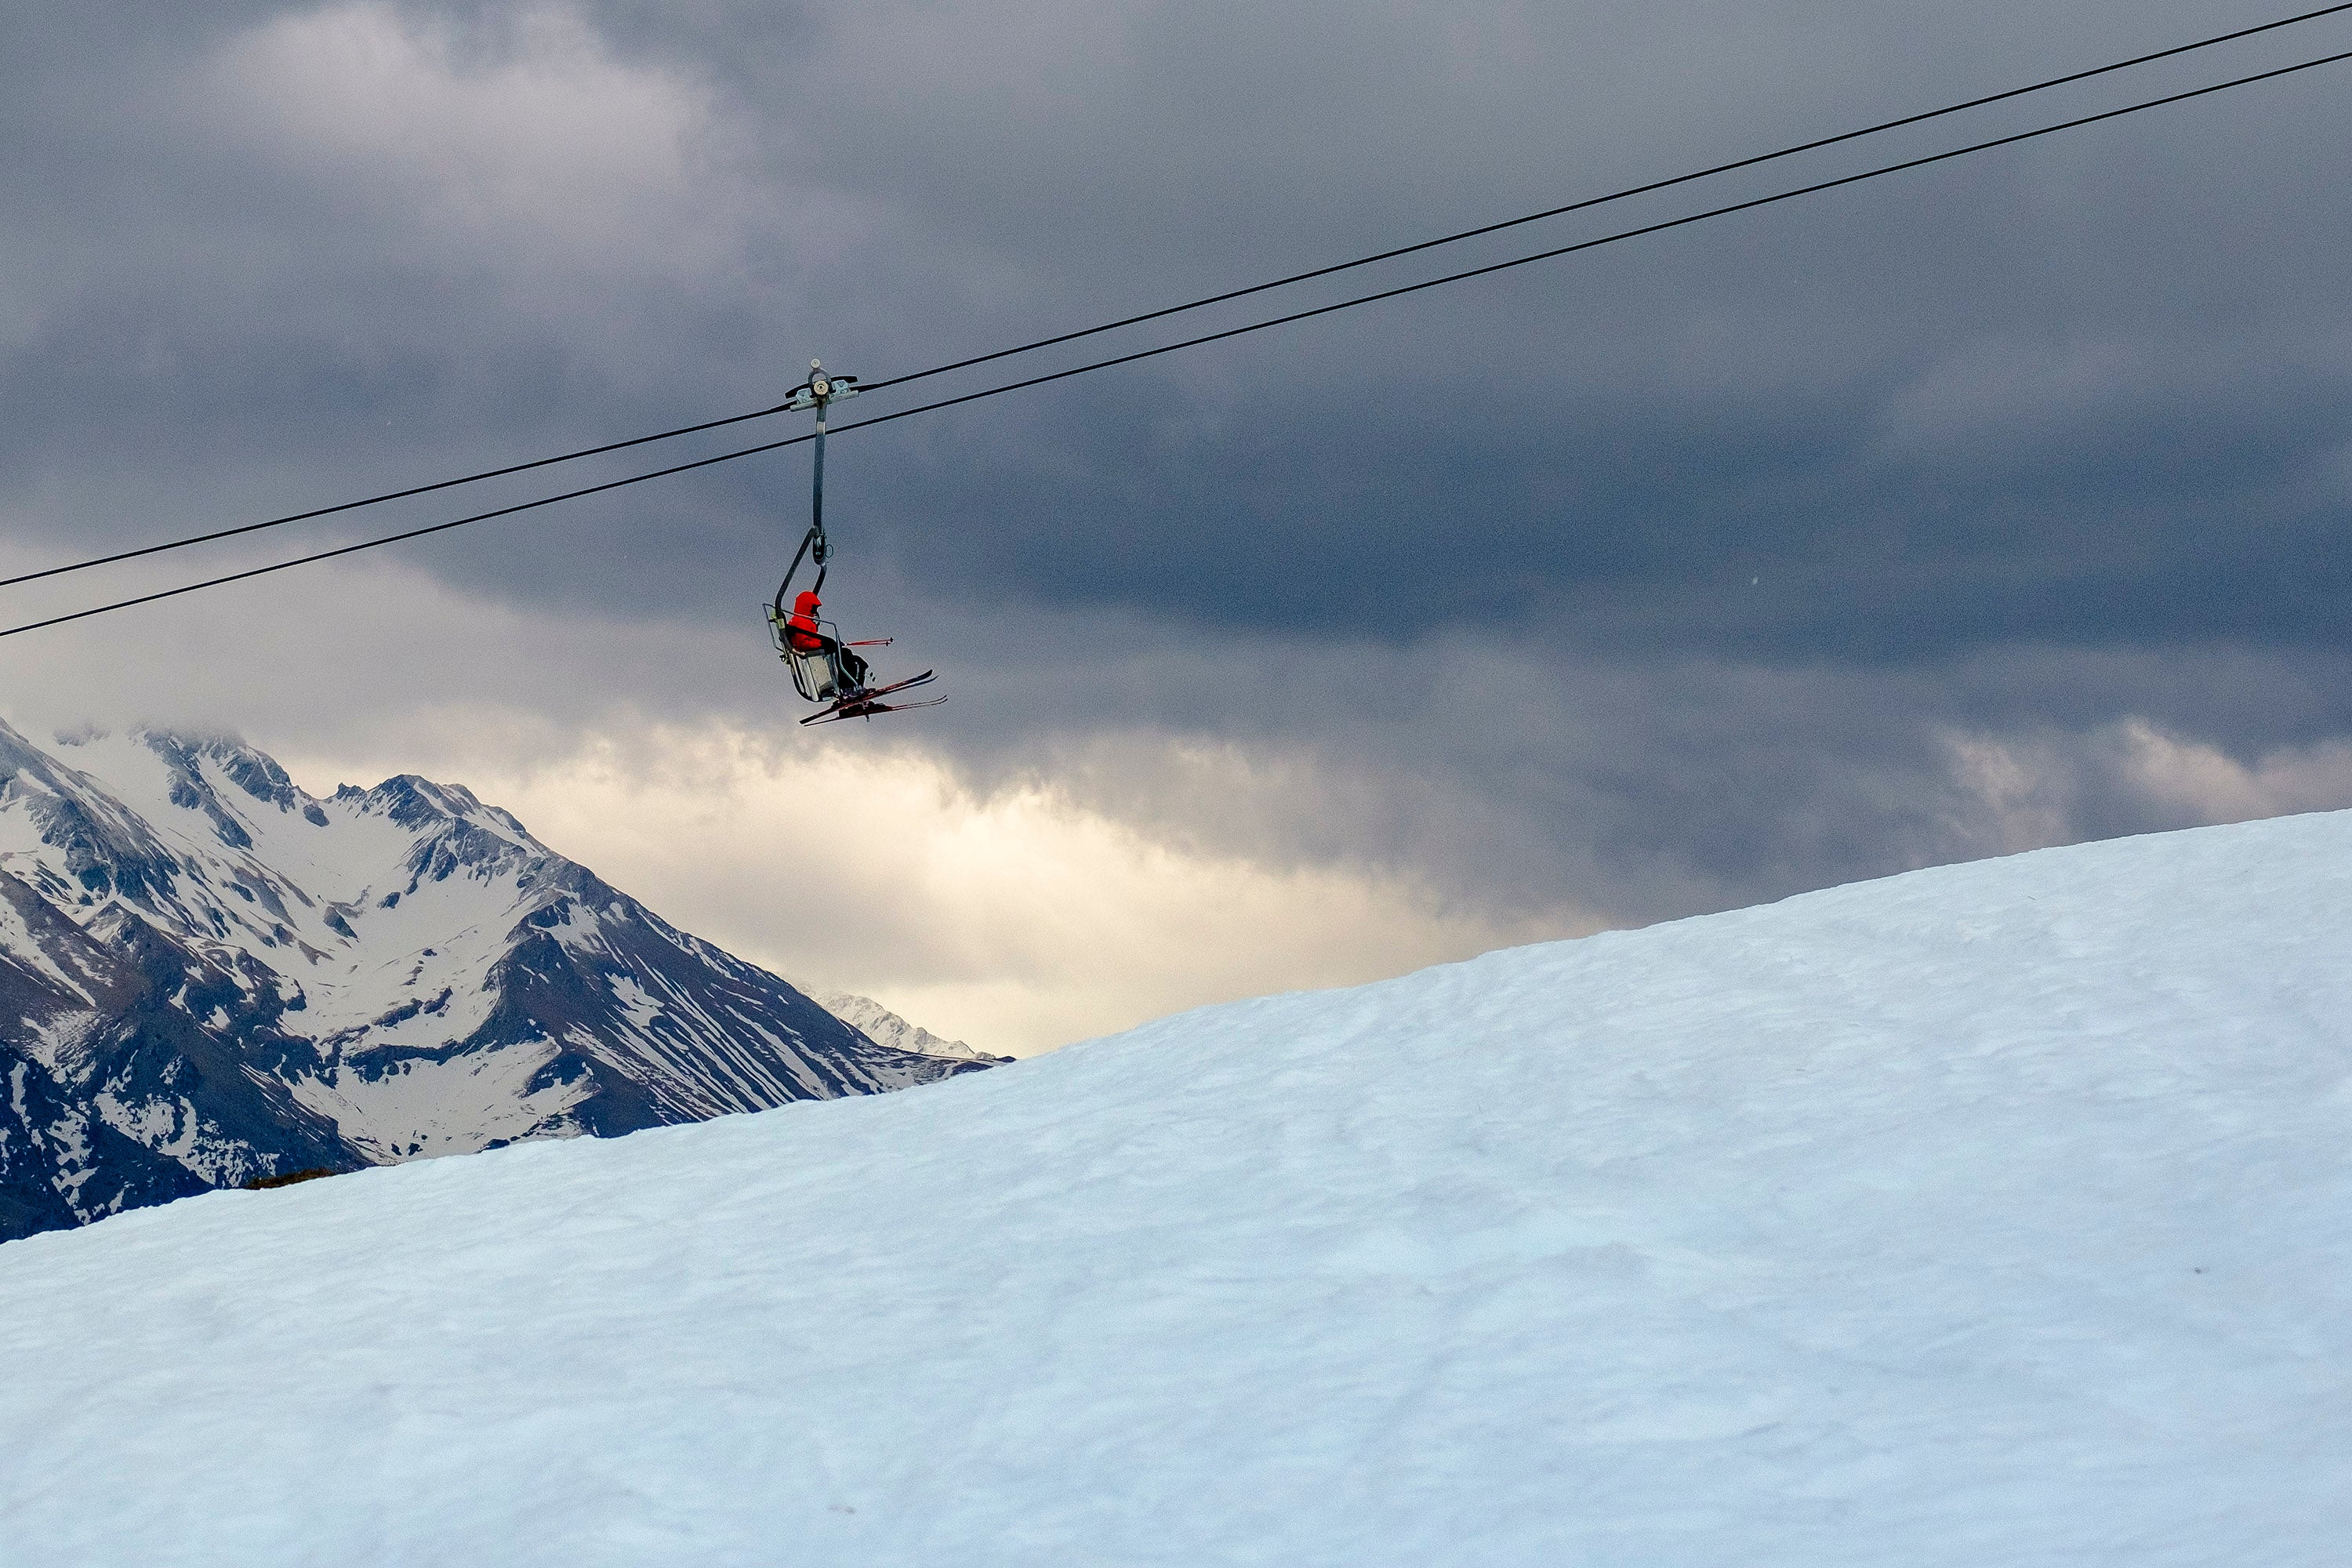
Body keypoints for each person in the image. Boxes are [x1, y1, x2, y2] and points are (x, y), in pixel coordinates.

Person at [784, 590, 871, 691]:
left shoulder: (800, 620)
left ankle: (854, 687)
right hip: (814, 653)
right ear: (807, 607)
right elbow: (803, 643)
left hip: (816, 651)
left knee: (854, 659)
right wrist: (822, 644)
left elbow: (807, 639)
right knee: (847, 656)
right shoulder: (802, 621)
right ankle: (849, 687)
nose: (815, 612)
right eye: (814, 608)